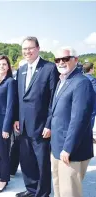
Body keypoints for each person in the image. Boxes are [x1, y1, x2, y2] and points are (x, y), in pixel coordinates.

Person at [13, 36, 59, 197]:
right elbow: (19, 97)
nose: (27, 51)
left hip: (41, 126)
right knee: (26, 160)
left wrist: (49, 124)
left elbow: (53, 99)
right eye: (24, 49)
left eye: (30, 48)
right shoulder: (22, 69)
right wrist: (16, 118)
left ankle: (43, 193)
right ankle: (31, 189)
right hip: (23, 124)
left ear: (38, 48)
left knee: (42, 162)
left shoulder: (49, 68)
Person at [51, 47, 94, 197]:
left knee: (69, 192)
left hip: (71, 151)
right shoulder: (62, 80)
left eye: (65, 59)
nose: (61, 62)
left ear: (75, 60)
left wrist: (68, 148)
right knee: (58, 188)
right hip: (57, 147)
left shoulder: (81, 83)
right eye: (57, 60)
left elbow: (79, 119)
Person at [0, 55, 16, 193]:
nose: (1, 67)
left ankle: (4, 180)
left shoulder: (10, 82)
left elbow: (11, 106)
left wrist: (7, 127)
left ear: (8, 66)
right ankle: (1, 176)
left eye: (4, 64)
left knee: (4, 153)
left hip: (3, 124)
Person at [83, 62, 96, 144]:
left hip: (83, 103)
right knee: (90, 120)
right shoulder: (92, 79)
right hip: (91, 104)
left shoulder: (80, 77)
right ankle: (88, 137)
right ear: (91, 69)